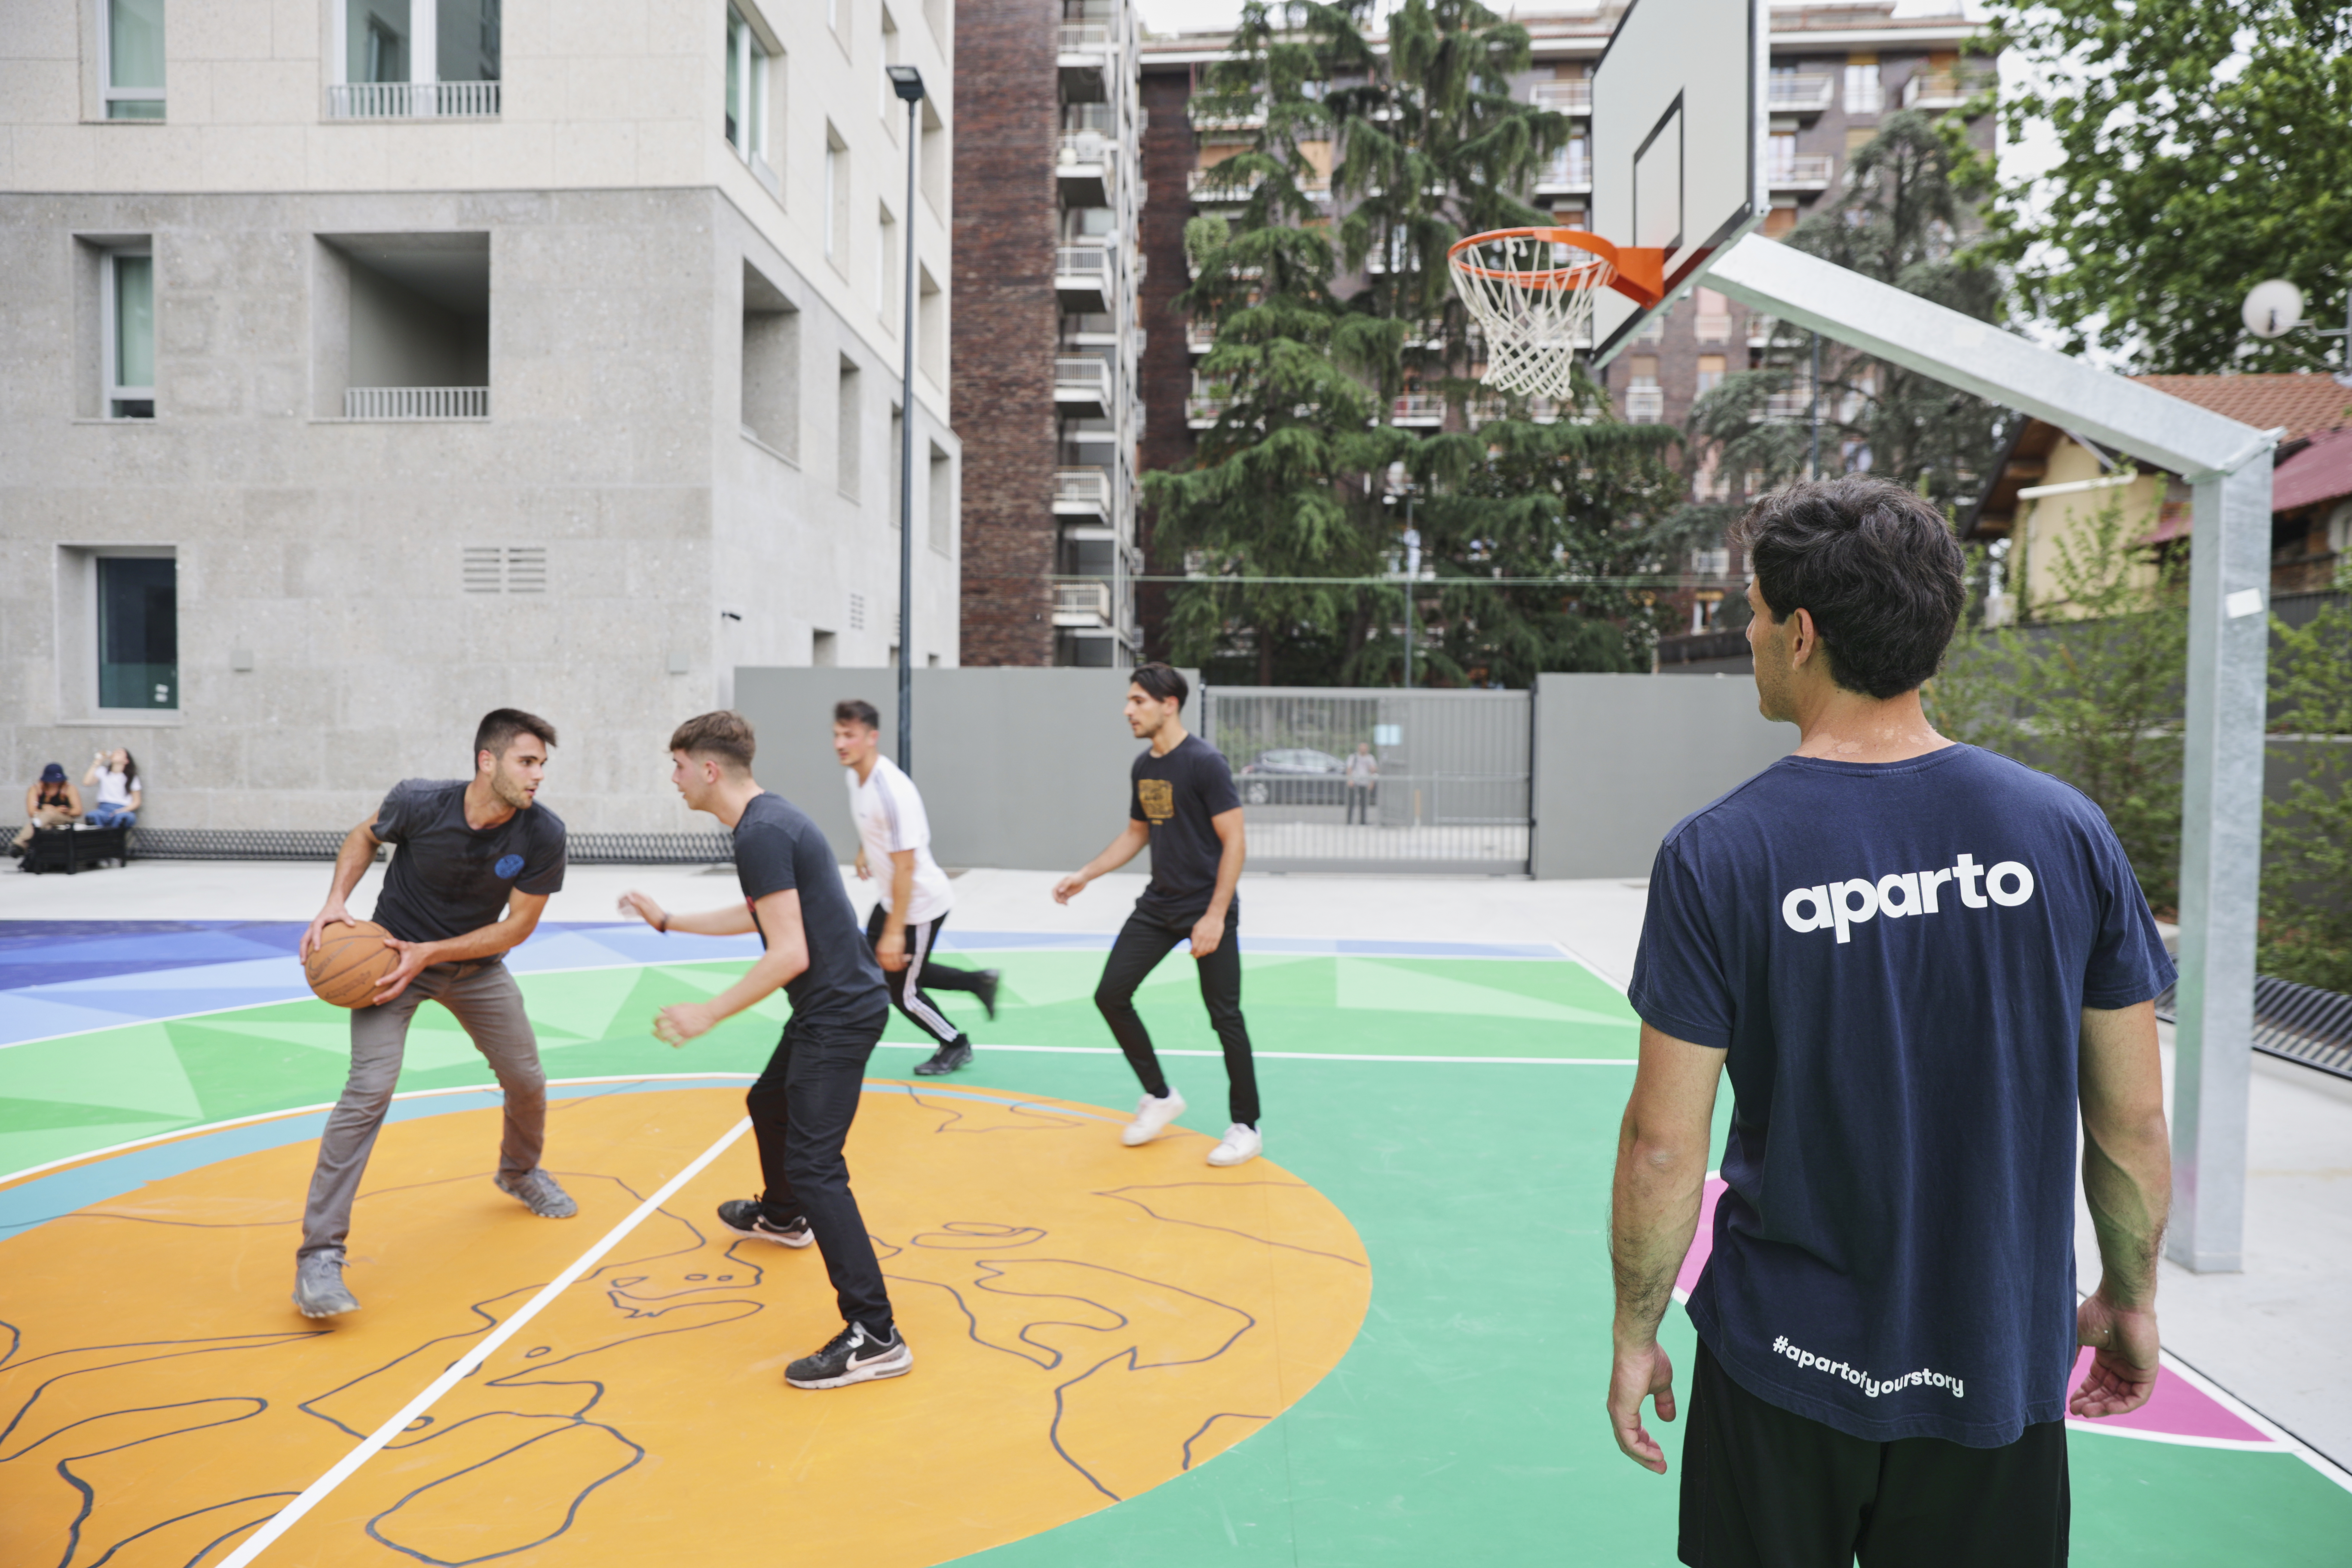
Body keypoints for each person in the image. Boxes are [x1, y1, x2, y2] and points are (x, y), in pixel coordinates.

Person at [1605, 478, 2175, 1568]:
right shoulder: (2067, 833)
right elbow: (2131, 1121)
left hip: (1782, 1367)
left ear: (1801, 634)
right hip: (1996, 1364)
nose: (1747, 633)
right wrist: (2131, 1298)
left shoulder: (1718, 853)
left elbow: (1663, 1145)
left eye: (1753, 612)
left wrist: (1637, 1330)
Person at [615, 710, 912, 1391]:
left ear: (708, 769)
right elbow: (763, 913)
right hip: (832, 1005)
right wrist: (669, 920)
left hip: (839, 1013)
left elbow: (789, 953)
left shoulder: (761, 833)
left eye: (678, 766)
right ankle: (783, 1216)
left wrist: (708, 1012)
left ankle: (876, 1334)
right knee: (768, 1101)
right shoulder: (768, 822)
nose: (675, 778)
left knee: (816, 1165)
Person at [291, 709, 577, 1320]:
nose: (538, 775)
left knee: (526, 1079)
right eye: (527, 762)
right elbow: (365, 835)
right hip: (388, 965)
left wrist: (433, 953)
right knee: (368, 1091)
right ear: (487, 761)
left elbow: (517, 927)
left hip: (474, 968)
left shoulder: (542, 833)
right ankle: (319, 1257)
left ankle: (519, 1171)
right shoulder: (419, 803)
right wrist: (336, 902)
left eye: (542, 765)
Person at [1053, 663, 1262, 1168]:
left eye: (1138, 701)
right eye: (1130, 700)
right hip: (1159, 906)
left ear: (1169, 705)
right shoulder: (1144, 767)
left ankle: (1246, 1126)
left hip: (1206, 908)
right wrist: (1087, 874)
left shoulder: (1205, 763)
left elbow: (1235, 841)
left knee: (1225, 1017)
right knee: (1111, 995)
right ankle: (1161, 1096)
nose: (1128, 710)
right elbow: (1137, 833)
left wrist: (1215, 916)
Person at [832, 698, 1000, 1077]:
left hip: (919, 904)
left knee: (903, 992)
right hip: (895, 897)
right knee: (888, 967)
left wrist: (895, 932)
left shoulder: (891, 791)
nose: (841, 743)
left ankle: (955, 1043)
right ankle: (979, 982)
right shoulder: (856, 776)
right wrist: (864, 849)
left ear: (872, 737)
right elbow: (874, 825)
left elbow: (906, 866)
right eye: (837, 734)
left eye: (850, 735)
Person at [11, 763, 82, 856]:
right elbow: (32, 812)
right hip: (43, 821)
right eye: (52, 780)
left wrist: (58, 811)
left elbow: (78, 811)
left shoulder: (69, 788)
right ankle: (36, 855)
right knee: (47, 825)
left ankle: (20, 844)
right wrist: (49, 811)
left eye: (57, 780)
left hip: (64, 819)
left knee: (48, 814)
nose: (55, 783)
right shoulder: (36, 789)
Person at [82, 747, 141, 827]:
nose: (115, 753)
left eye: (119, 753)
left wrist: (122, 810)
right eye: (115, 752)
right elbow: (87, 782)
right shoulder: (103, 771)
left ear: (126, 761)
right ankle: (101, 834)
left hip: (123, 808)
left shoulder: (131, 777)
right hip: (104, 809)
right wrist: (98, 761)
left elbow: (137, 802)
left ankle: (114, 834)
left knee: (123, 818)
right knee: (92, 816)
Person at [1343, 741, 1378, 825]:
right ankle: (1349, 821)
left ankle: (1363, 821)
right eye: (1362, 747)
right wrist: (1350, 780)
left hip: (1365, 782)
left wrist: (1372, 782)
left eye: (1365, 748)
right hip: (1354, 782)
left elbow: (1373, 771)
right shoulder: (1353, 757)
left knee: (1364, 803)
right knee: (1351, 802)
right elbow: (1349, 769)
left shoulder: (1370, 758)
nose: (1363, 749)